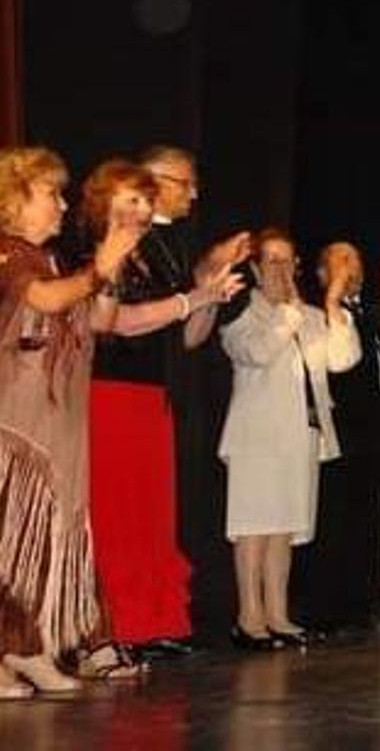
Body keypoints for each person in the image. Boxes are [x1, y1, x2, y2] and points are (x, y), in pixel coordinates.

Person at [0, 148, 222, 695]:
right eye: (49, 193)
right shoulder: (11, 255)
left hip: (60, 415)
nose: (61, 202)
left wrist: (117, 264)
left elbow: (102, 318)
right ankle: (14, 650)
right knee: (14, 538)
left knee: (49, 536)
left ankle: (29, 648)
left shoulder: (51, 257)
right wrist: (103, 263)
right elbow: (49, 300)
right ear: (15, 201)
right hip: (20, 419)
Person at [88, 145, 249, 659]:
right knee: (115, 513)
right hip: (107, 390)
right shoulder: (106, 243)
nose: (193, 193)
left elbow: (188, 336)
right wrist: (195, 296)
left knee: (149, 516)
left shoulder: (162, 248)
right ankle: (110, 627)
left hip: (150, 394)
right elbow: (118, 322)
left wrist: (209, 289)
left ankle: (146, 622)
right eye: (185, 182)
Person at [217, 228, 361, 651]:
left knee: (284, 530)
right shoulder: (243, 316)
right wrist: (286, 315)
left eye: (287, 260)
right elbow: (256, 353)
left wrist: (331, 306)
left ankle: (278, 614)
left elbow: (343, 358)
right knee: (254, 528)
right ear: (257, 269)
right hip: (257, 438)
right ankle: (249, 617)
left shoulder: (311, 316)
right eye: (272, 261)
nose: (281, 269)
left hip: (300, 437)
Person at [294, 245, 380, 634]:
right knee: (334, 518)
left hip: (373, 432)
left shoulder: (369, 313)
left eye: (356, 259)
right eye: (341, 261)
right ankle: (324, 609)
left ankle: (363, 603)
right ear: (321, 273)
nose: (351, 267)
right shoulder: (317, 312)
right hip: (340, 431)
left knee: (370, 518)